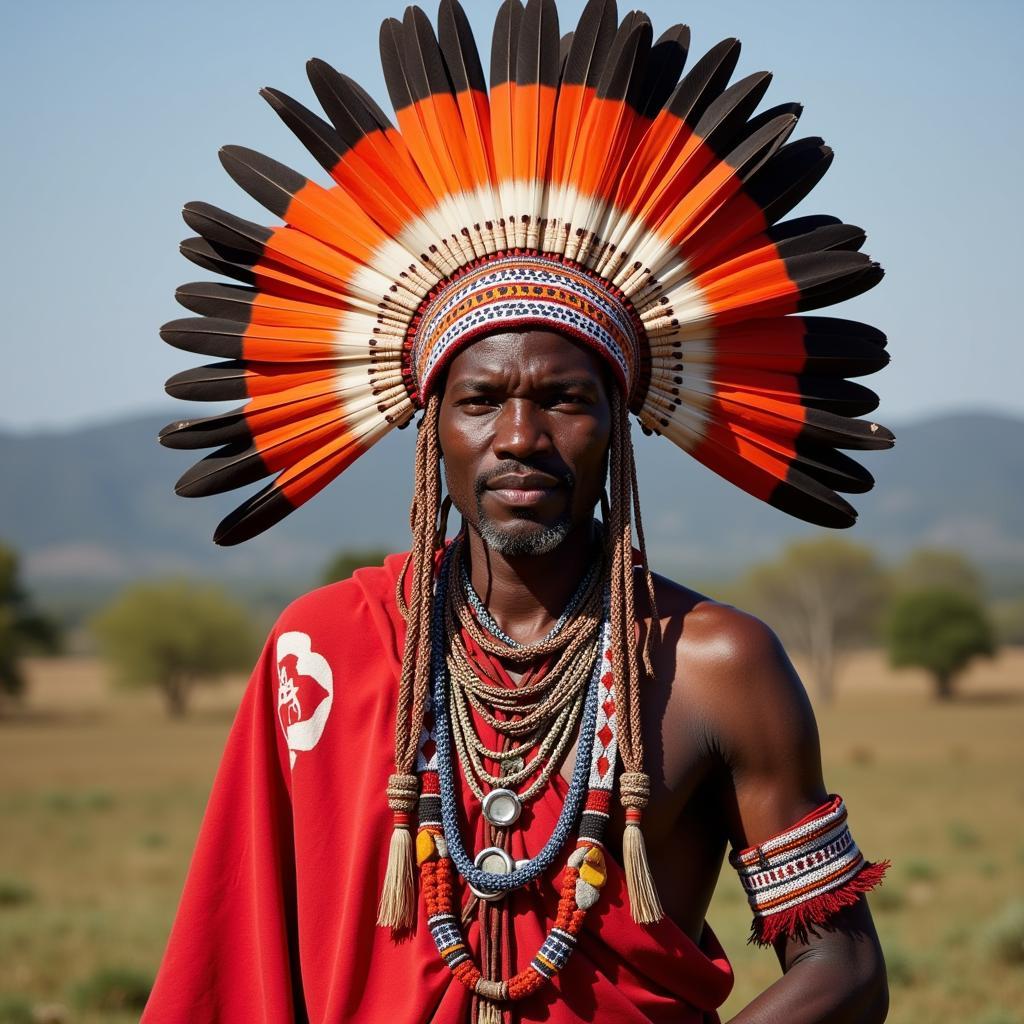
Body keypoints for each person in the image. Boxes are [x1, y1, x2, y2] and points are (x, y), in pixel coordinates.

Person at [145, 2, 893, 1021]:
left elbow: (842, 968)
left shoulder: (717, 663)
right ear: (432, 428)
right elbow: (237, 963)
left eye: (566, 399)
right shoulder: (316, 655)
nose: (520, 437)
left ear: (618, 423)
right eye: (482, 399)